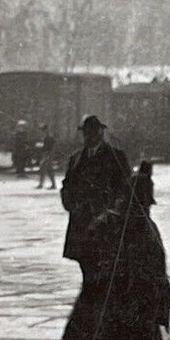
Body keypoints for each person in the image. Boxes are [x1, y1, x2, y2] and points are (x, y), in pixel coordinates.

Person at [54, 159, 170, 340]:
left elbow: (86, 253)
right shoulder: (144, 227)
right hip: (132, 303)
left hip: (100, 300)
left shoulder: (105, 220)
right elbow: (157, 266)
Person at [60, 116, 133, 283]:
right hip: (81, 218)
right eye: (86, 134)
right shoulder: (76, 158)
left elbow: (126, 187)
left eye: (92, 133)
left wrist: (114, 210)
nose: (88, 137)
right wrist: (69, 204)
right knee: (85, 261)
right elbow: (67, 184)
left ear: (100, 134)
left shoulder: (115, 157)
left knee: (105, 263)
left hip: (106, 219)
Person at [36, 124, 59, 189]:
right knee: (48, 169)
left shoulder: (49, 137)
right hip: (46, 154)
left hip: (47, 154)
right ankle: (52, 184)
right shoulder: (47, 137)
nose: (41, 131)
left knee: (44, 168)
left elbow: (51, 146)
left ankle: (42, 184)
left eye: (42, 130)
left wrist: (49, 154)